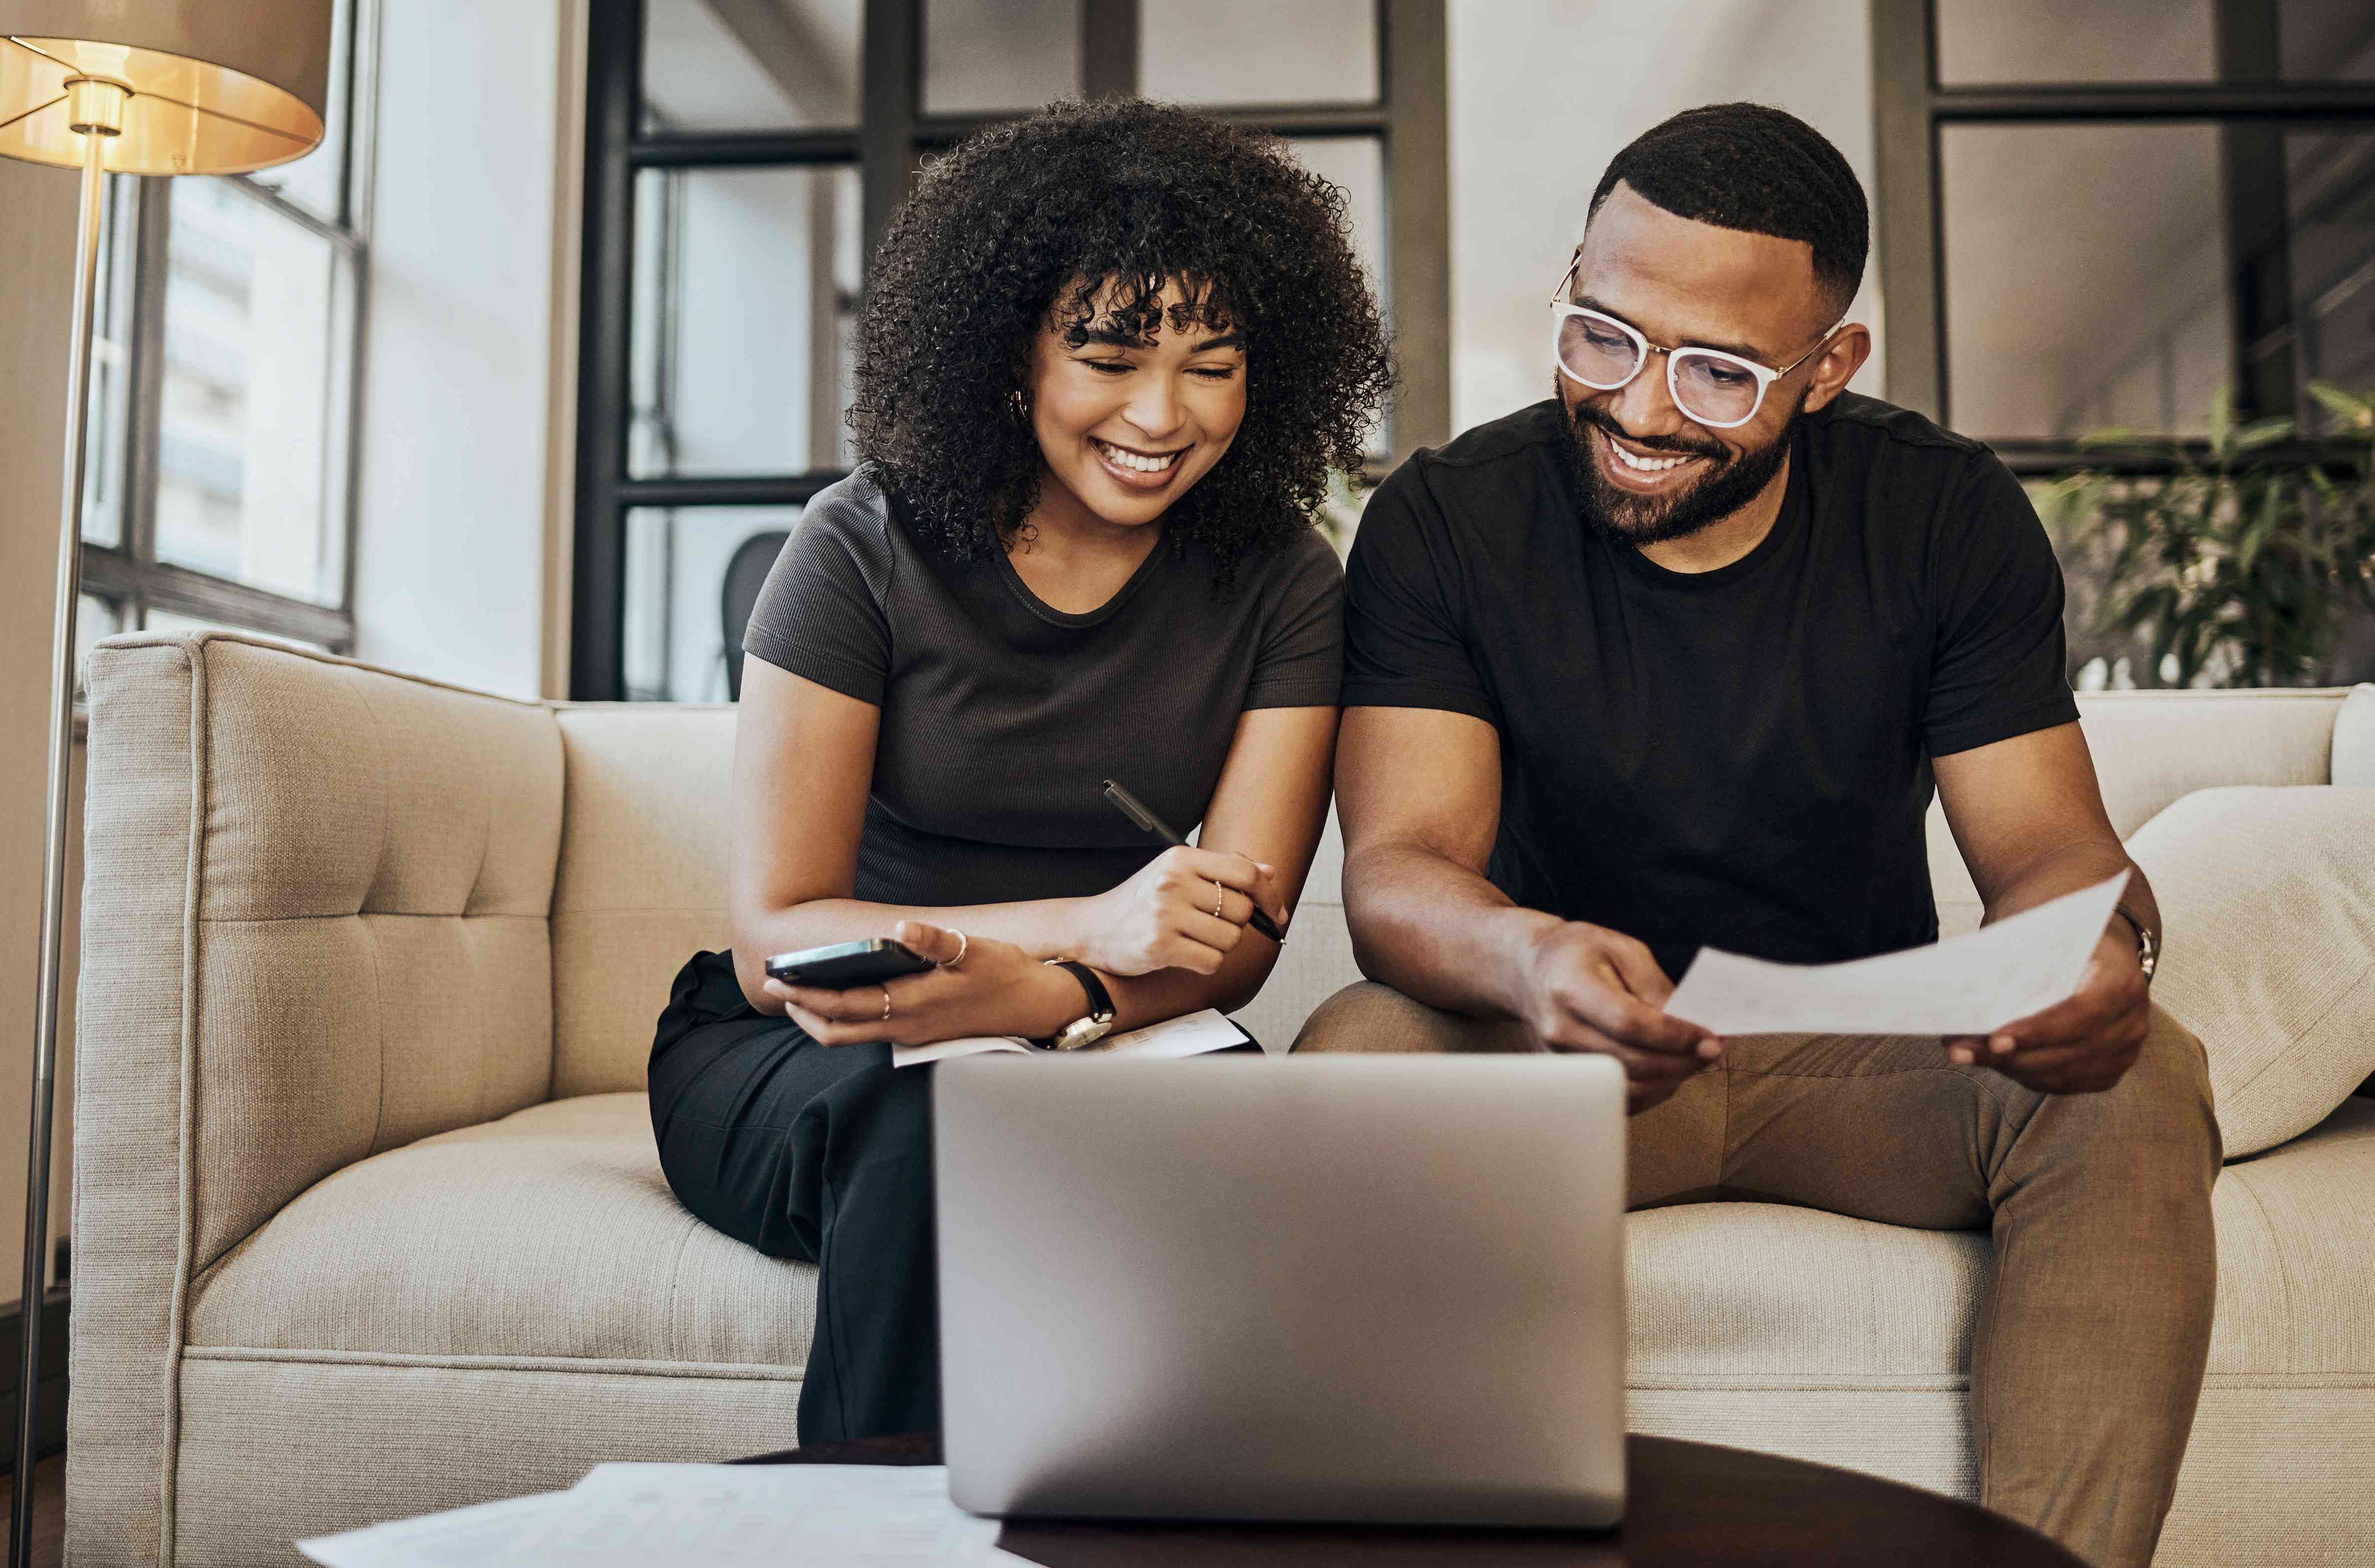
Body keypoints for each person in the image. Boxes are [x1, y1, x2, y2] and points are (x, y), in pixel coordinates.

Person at [1294, 103, 2218, 1568]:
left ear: (1828, 365)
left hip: (1861, 1061)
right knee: (1357, 1048)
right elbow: (1399, 868)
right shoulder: (1448, 520)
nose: (1644, 410)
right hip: (1560, 1056)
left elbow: (2047, 846)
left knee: (2139, 1072)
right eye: (1602, 336)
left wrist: (2099, 945)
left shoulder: (1941, 515)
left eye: (1719, 374)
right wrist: (1529, 958)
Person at [650, 99, 1391, 1444]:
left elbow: (1233, 944)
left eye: (1212, 365)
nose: (1161, 416)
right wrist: (1080, 930)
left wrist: (1054, 996)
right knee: (950, 1116)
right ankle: (876, 1536)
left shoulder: (1284, 577)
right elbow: (778, 940)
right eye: (1107, 357)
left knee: (1239, 1158)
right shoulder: (858, 546)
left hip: (1118, 1030)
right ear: (1010, 362)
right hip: (818, 1045)